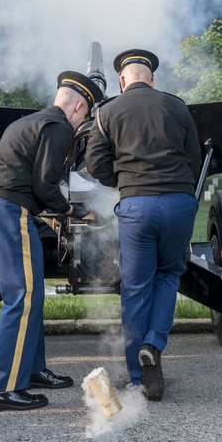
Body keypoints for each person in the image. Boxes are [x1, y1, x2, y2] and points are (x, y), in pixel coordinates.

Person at [0, 69, 104, 412]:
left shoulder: (30, 121)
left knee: (30, 296)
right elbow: (45, 185)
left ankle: (32, 369)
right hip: (9, 209)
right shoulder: (59, 127)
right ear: (79, 106)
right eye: (85, 115)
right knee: (21, 297)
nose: (82, 123)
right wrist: (71, 210)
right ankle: (2, 389)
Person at [84, 49, 202, 401]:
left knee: (136, 287)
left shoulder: (107, 111)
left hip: (137, 205)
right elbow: (193, 158)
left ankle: (138, 377)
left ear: (122, 81)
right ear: (151, 78)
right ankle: (153, 343)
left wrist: (124, 181)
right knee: (168, 276)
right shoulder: (178, 106)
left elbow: (94, 163)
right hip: (180, 203)